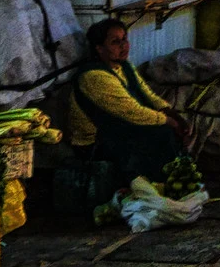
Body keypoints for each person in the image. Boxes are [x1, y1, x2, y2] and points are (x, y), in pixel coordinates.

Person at [67, 19, 189, 183]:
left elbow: (147, 95)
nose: (123, 46)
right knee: (162, 134)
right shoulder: (94, 76)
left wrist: (172, 114)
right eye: (115, 42)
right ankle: (156, 185)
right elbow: (133, 112)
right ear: (99, 48)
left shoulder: (124, 66)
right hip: (95, 142)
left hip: (118, 127)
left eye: (124, 39)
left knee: (173, 131)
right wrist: (169, 122)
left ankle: (172, 181)